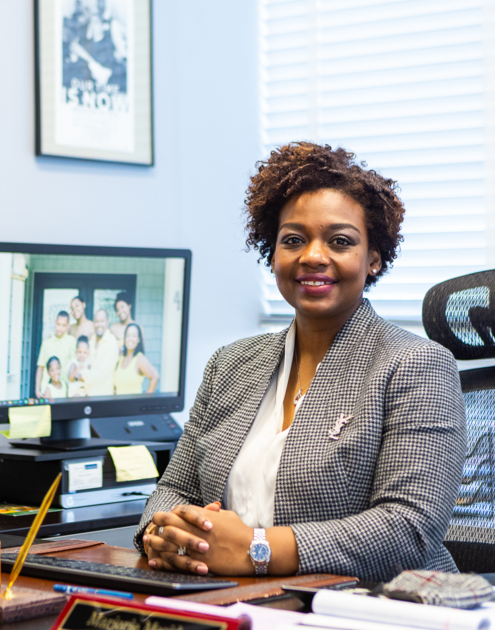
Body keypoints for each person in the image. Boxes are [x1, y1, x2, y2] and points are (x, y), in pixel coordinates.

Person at [136, 142, 466, 582]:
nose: (312, 255)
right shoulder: (230, 364)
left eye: (340, 241)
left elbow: (408, 528)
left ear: (373, 259)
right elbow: (175, 489)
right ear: (272, 254)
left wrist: (255, 549)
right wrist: (165, 534)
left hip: (368, 607)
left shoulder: (415, 364)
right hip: (231, 597)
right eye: (293, 239)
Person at [35, 311, 76, 398]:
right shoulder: (46, 343)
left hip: (64, 390)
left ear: (68, 326)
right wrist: (37, 390)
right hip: (46, 390)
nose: (60, 328)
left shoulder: (71, 341)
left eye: (63, 325)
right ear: (54, 323)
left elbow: (74, 364)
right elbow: (40, 367)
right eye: (58, 324)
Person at [82, 308, 120, 396]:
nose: (99, 324)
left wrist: (81, 375)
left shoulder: (111, 342)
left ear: (107, 322)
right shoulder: (91, 341)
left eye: (102, 321)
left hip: (103, 396)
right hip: (87, 394)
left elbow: (102, 374)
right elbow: (86, 364)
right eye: (97, 321)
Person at [114, 323, 159, 395]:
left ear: (138, 339)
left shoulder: (139, 359)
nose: (130, 338)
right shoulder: (121, 357)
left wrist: (145, 401)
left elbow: (155, 377)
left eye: (134, 336)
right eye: (128, 335)